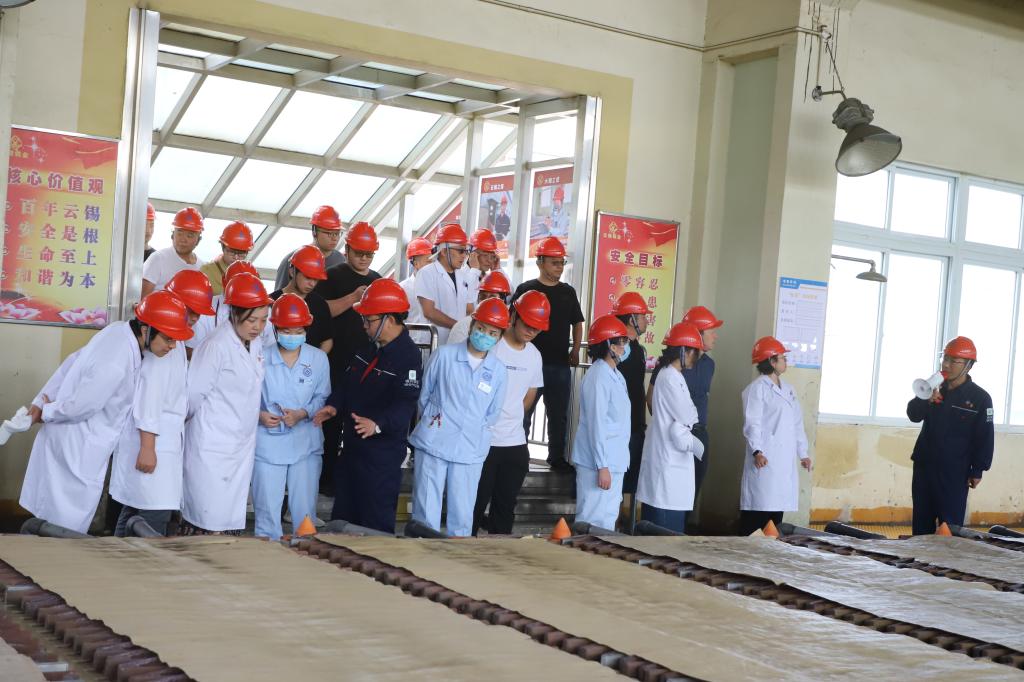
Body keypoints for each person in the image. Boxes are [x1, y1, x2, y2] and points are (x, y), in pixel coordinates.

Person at [19, 292, 191, 533]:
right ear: (146, 330)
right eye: (168, 339)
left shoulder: (118, 331)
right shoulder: (117, 359)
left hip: (78, 441)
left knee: (53, 521)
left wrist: (42, 401)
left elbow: (72, 361)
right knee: (62, 528)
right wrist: (46, 410)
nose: (172, 346)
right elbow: (82, 405)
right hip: (76, 447)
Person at [313, 279, 422, 533]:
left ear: (389, 319)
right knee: (343, 522)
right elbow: (348, 382)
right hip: (352, 448)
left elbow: (405, 403)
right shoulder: (370, 347)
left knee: (375, 523)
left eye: (368, 320)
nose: (363, 325)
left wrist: (378, 424)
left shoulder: (408, 356)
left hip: (381, 455)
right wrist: (333, 405)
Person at [110, 288, 209, 537]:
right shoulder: (159, 353)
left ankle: (115, 555)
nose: (194, 318)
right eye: (191, 311)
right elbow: (149, 400)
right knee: (151, 515)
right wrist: (148, 447)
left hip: (162, 441)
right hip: (153, 442)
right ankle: (128, 560)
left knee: (136, 509)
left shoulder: (172, 341)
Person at [410, 298, 508, 537]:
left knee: (462, 514)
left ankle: (456, 556)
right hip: (434, 441)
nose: (485, 335)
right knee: (426, 511)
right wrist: (437, 419)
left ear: (499, 337)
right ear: (472, 325)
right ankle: (421, 552)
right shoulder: (444, 355)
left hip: (469, 447)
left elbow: (492, 413)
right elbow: (424, 396)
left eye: (492, 333)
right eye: (481, 328)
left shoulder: (498, 371)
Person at [181, 272, 270, 535]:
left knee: (229, 519)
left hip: (240, 444)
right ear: (234, 313)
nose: (258, 327)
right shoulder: (215, 345)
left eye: (263, 320)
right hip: (212, 444)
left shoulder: (255, 344)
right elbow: (192, 396)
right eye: (252, 320)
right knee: (206, 517)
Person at [252, 294, 330, 541]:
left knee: (305, 514)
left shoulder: (318, 358)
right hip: (268, 443)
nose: (293, 336)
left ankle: (305, 551)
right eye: (287, 331)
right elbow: (245, 397)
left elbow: (322, 397)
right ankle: (267, 550)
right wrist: (260, 415)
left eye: (298, 331)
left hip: (305, 442)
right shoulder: (260, 356)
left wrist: (302, 413)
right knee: (267, 510)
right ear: (275, 329)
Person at [472, 291, 548, 535]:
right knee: (474, 503)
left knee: (505, 507)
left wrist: (511, 415)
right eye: (527, 324)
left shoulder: (534, 355)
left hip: (514, 442)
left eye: (537, 328)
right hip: (484, 440)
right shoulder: (491, 345)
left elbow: (530, 396)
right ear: (514, 315)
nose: (531, 331)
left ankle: (500, 552)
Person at [314, 222, 381, 485]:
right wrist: (353, 297)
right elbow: (320, 312)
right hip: (335, 360)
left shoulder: (377, 280)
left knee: (358, 423)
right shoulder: (331, 276)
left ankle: (350, 478)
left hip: (366, 362)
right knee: (331, 422)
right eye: (359, 253)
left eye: (369, 254)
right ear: (347, 250)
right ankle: (326, 478)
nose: (364, 259)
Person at [907, 336, 994, 536]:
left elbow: (984, 436)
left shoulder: (980, 398)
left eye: (954, 360)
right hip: (924, 467)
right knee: (921, 524)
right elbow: (913, 415)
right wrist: (925, 399)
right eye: (945, 358)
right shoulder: (932, 389)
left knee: (950, 527)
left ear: (968, 366)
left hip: (955, 472)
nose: (946, 364)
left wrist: (978, 469)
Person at [513, 237, 584, 471]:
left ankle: (556, 458)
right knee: (523, 411)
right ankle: (518, 456)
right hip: (528, 364)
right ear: (540, 262)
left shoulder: (568, 292)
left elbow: (577, 323)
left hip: (559, 364)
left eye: (562, 263)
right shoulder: (526, 289)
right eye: (554, 263)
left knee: (558, 414)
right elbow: (512, 321)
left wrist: (575, 350)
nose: (559, 267)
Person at [635, 322, 705, 533]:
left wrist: (689, 416)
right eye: (694, 352)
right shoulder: (669, 377)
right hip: (667, 462)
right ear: (683, 351)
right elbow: (687, 415)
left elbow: (690, 414)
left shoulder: (674, 375)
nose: (695, 357)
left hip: (672, 461)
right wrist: (689, 417)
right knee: (663, 532)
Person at [738, 336, 812, 536]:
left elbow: (797, 423)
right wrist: (757, 451)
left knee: (776, 512)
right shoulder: (757, 388)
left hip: (783, 461)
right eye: (782, 358)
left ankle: (771, 548)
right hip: (765, 458)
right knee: (759, 511)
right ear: (771, 361)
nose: (785, 362)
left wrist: (803, 453)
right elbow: (752, 422)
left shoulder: (788, 389)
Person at [571, 315, 632, 531]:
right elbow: (596, 424)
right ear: (609, 346)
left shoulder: (616, 375)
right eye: (621, 342)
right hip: (598, 463)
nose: (625, 346)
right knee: (592, 520)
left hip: (614, 460)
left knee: (607, 518)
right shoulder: (598, 376)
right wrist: (602, 465)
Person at [611, 292, 650, 523]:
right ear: (631, 318)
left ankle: (628, 525)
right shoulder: (619, 348)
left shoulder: (638, 349)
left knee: (631, 480)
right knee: (617, 480)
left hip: (636, 424)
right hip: (620, 426)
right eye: (643, 316)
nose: (646, 321)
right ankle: (613, 525)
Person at [680, 305, 723, 499]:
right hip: (679, 432)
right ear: (697, 334)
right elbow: (652, 397)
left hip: (700, 433)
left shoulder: (709, 365)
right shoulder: (676, 363)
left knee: (694, 488)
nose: (715, 336)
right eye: (711, 332)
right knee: (677, 488)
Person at [187, 260, 273, 353]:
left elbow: (270, 348)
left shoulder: (265, 311)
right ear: (226, 284)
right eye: (251, 320)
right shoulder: (206, 307)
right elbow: (191, 348)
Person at [415, 223, 475, 345]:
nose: (464, 256)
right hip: (435, 342)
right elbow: (429, 311)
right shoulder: (427, 273)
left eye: (466, 251)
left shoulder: (463, 276)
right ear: (443, 251)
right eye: (460, 251)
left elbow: (469, 308)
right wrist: (458, 326)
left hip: (459, 341)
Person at [271, 245, 332, 354]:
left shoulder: (320, 304)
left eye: (316, 279)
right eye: (308, 277)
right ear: (292, 271)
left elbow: (327, 341)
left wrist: (315, 360)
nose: (312, 284)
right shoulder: (271, 302)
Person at [273, 205, 345, 290]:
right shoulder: (292, 260)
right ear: (314, 232)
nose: (335, 238)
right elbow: (279, 295)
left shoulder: (342, 261)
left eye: (337, 233)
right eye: (329, 233)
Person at [141, 207, 205, 297]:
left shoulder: (202, 268)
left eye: (189, 235)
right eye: (179, 233)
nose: (183, 239)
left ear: (198, 239)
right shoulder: (158, 259)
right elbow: (142, 300)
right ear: (173, 234)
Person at [448, 270, 511, 345]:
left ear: (503, 301)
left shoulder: (507, 330)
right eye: (483, 296)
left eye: (492, 297)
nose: (486, 301)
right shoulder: (462, 326)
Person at [199, 221, 254, 296]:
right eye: (232, 251)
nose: (236, 257)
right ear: (222, 247)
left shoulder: (251, 275)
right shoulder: (207, 272)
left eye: (241, 253)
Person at [399, 237, 434, 347]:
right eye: (428, 261)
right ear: (416, 264)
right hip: (409, 346)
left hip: (433, 345)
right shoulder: (402, 289)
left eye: (434, 261)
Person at [465, 228, 505, 300]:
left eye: (492, 256)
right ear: (472, 254)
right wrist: (475, 270)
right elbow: (469, 300)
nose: (489, 261)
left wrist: (498, 271)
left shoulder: (487, 278)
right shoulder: (461, 275)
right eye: (485, 255)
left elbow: (508, 297)